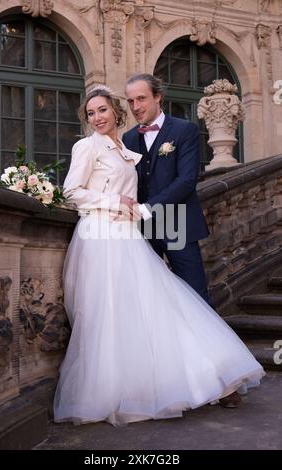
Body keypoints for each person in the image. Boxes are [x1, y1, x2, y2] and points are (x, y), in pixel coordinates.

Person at [53, 85, 265, 427]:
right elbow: (74, 190)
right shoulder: (95, 145)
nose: (97, 117)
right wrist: (117, 204)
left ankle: (217, 379)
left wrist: (143, 209)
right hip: (110, 234)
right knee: (119, 310)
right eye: (91, 113)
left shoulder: (153, 138)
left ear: (154, 99)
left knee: (186, 297)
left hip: (158, 225)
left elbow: (185, 180)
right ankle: (126, 385)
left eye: (103, 110)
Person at [123, 73, 210, 305]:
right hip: (142, 232)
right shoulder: (128, 138)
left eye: (141, 98)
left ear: (158, 97)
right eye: (130, 101)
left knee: (196, 297)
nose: (135, 106)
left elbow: (187, 180)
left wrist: (148, 208)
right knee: (150, 300)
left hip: (178, 225)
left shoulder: (184, 130)